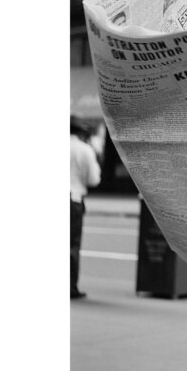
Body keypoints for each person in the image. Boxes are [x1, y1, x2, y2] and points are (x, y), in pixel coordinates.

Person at [70, 117, 102, 300]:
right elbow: (93, 180)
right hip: (72, 199)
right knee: (71, 245)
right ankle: (70, 288)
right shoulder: (84, 149)